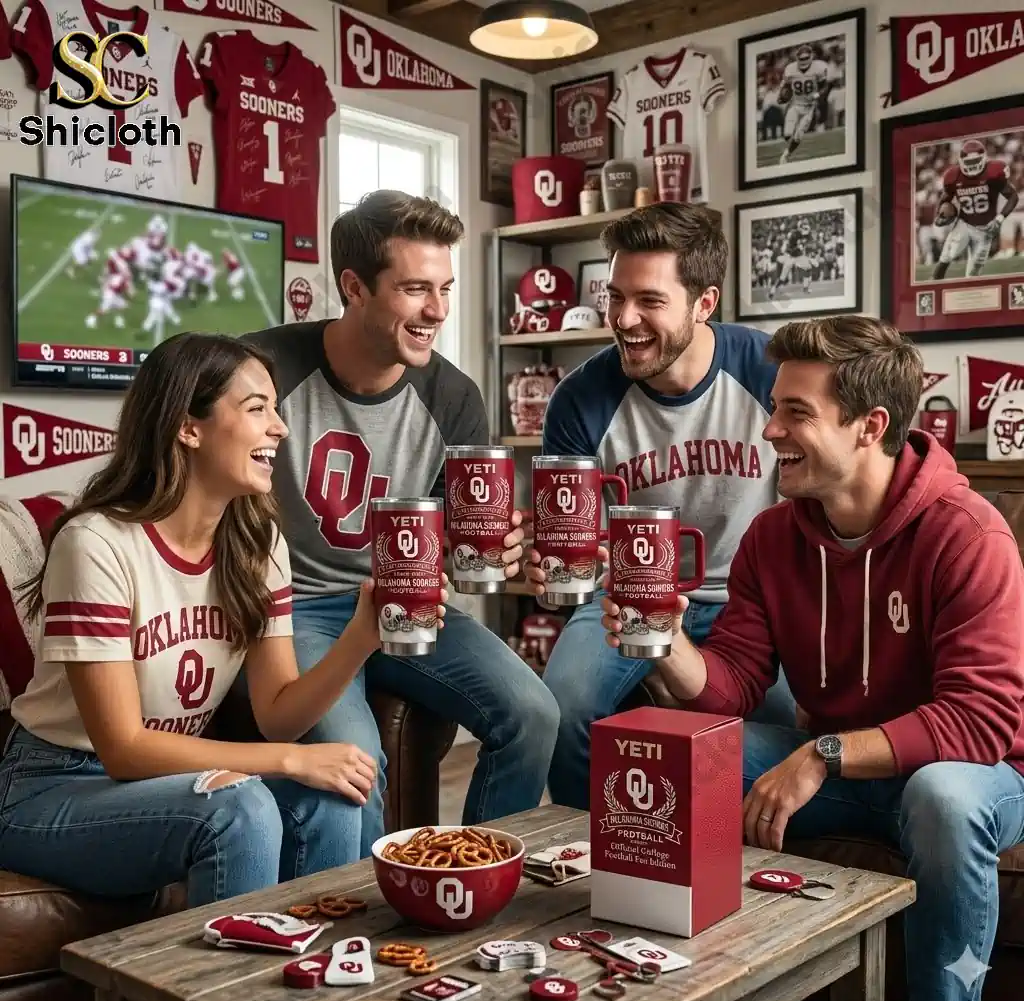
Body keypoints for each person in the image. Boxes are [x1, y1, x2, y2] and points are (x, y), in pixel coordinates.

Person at [601, 315, 1024, 1001]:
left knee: (941, 800)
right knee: (678, 757)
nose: (770, 431)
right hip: (852, 770)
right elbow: (735, 680)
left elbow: (982, 721)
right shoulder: (773, 537)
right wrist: (667, 640)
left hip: (982, 776)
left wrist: (823, 754)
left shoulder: (967, 534)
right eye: (774, 408)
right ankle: (689, 995)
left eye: (796, 413)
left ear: (869, 425)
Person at [0, 333, 444, 907]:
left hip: (162, 780)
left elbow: (278, 712)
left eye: (275, 409)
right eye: (257, 408)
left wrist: (362, 635)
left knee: (335, 796)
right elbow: (124, 748)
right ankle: (230, 995)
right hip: (54, 785)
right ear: (190, 427)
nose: (280, 428)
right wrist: (292, 761)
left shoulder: (258, 546)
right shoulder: (97, 544)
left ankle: (325, 978)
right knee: (240, 809)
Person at [242, 190, 558, 856]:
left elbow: (456, 547)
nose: (438, 310)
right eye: (416, 289)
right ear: (353, 287)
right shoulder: (263, 369)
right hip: (294, 606)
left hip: (406, 597)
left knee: (534, 713)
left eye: (444, 288)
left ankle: (472, 873)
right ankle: (350, 935)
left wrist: (492, 552)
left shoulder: (455, 396)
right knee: (353, 757)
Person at [526, 201, 794, 811]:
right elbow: (574, 551)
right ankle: (577, 856)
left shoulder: (770, 371)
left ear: (705, 303)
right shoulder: (580, 400)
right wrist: (553, 575)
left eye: (649, 300)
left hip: (752, 604)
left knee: (782, 735)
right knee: (562, 706)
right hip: (627, 595)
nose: (624, 318)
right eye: (615, 296)